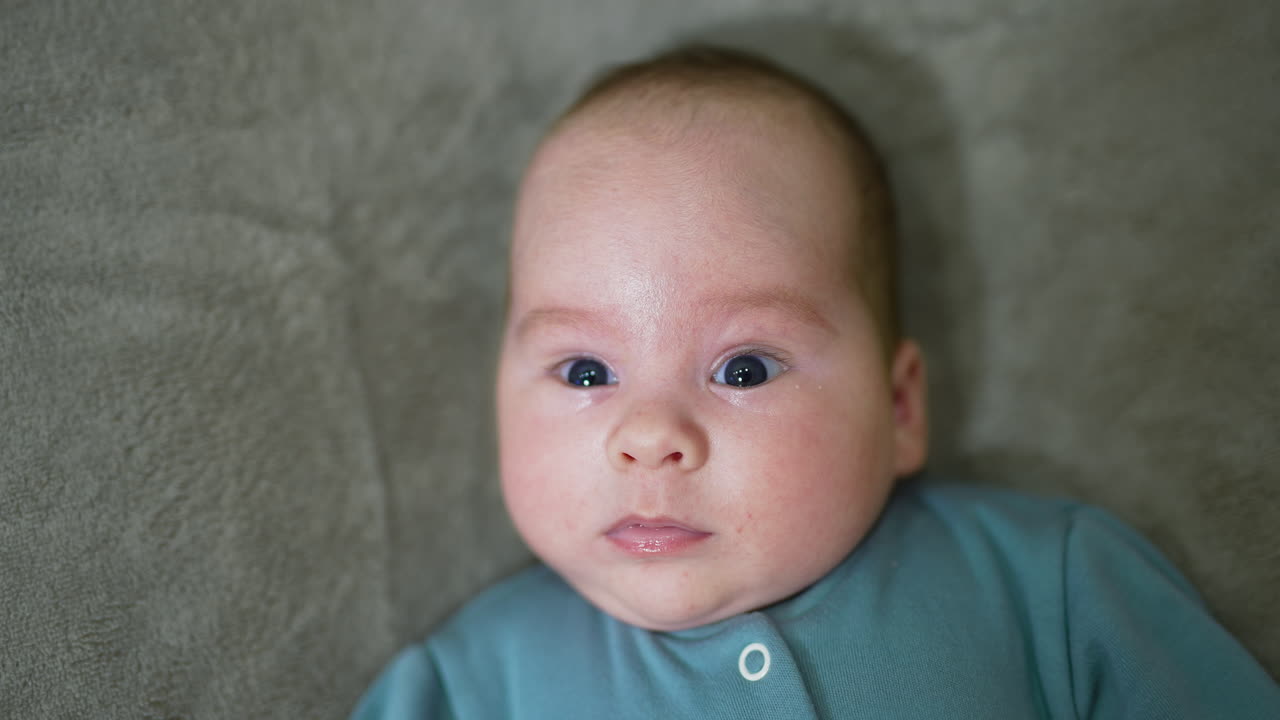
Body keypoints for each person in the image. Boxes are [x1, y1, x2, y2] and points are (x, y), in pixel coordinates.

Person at [351, 45, 1280, 718]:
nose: (647, 434)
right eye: (585, 369)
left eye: (743, 367)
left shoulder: (1052, 585)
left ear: (900, 405)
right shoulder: (471, 684)